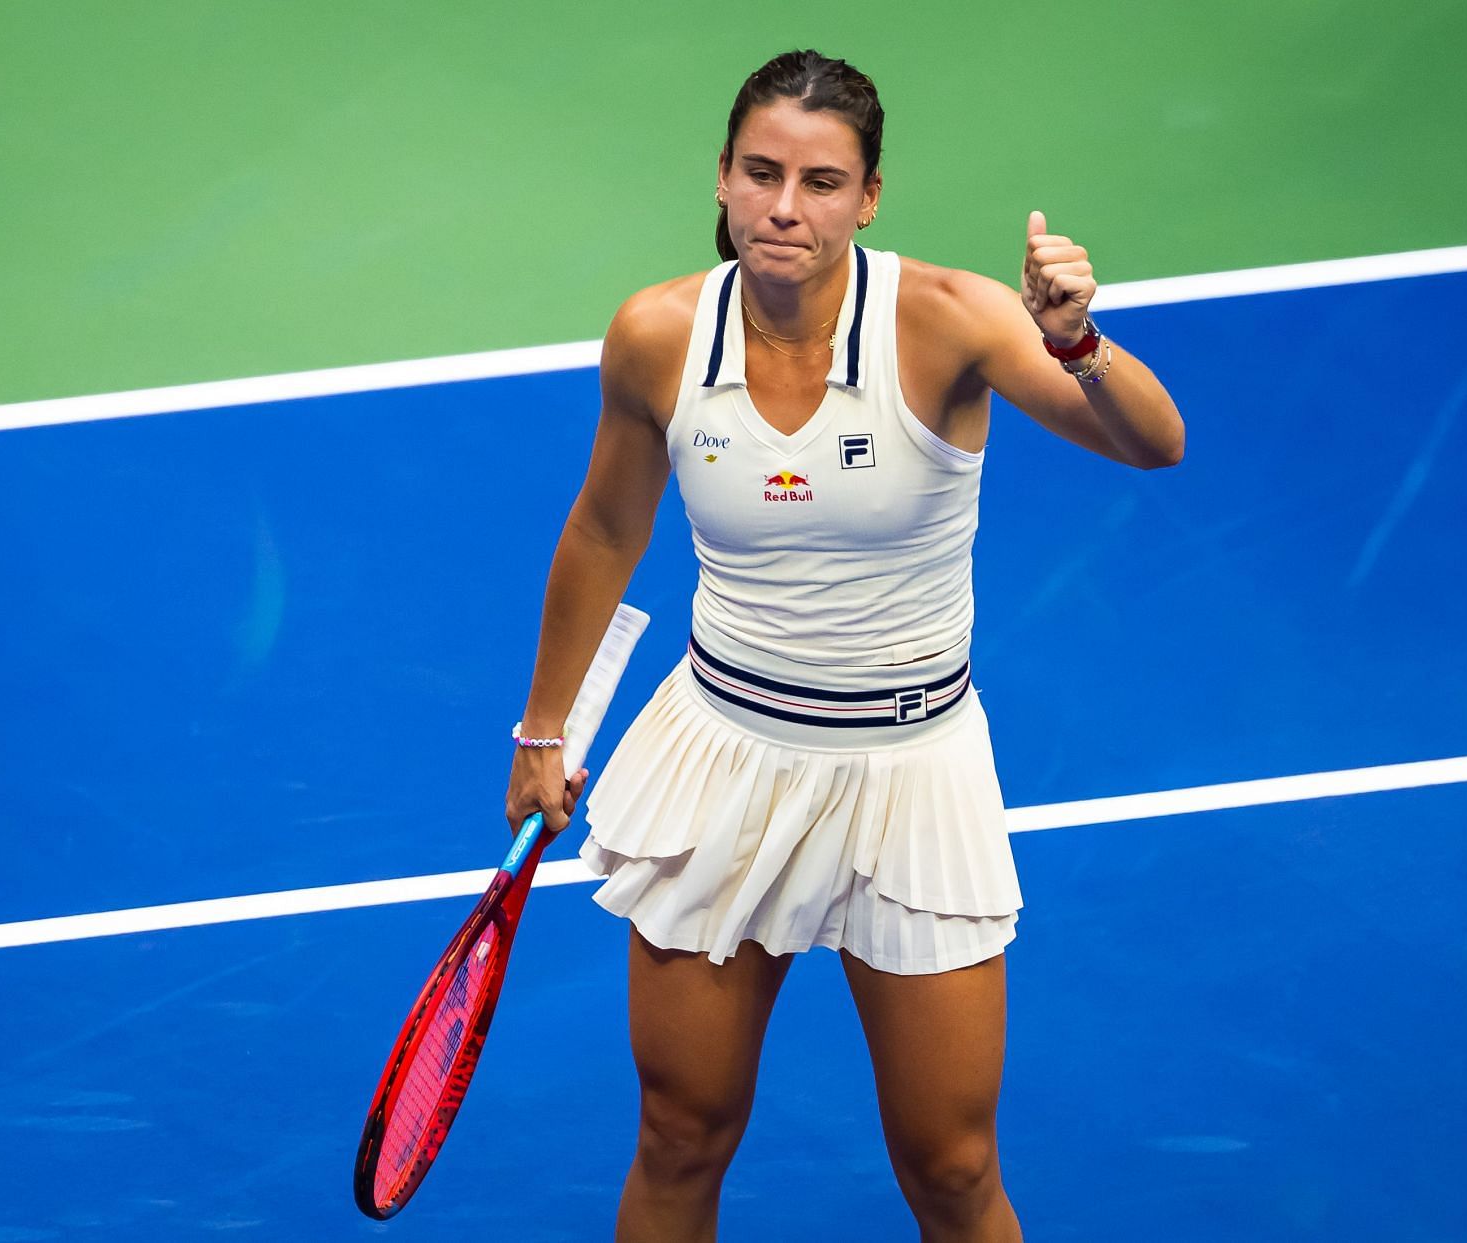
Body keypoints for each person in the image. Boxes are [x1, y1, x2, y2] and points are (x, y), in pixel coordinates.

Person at [505, 48, 1184, 1243]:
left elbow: (1151, 443)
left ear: (869, 196)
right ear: (720, 178)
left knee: (953, 1166)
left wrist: (1080, 341)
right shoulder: (658, 335)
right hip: (724, 760)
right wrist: (543, 729)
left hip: (913, 777)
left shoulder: (951, 320)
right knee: (679, 1135)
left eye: (822, 181)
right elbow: (608, 524)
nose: (784, 206)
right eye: (761, 173)